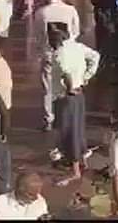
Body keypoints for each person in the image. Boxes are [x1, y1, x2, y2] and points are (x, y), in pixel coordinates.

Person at [44, 23, 100, 186]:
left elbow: (66, 73)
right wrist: (86, 77)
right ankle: (82, 161)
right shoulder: (78, 47)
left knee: (69, 132)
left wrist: (69, 87)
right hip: (79, 93)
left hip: (66, 97)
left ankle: (75, 171)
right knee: (78, 128)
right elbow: (95, 56)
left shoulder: (59, 54)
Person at [35, 0, 81, 131]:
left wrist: (42, 49)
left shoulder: (41, 12)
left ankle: (49, 118)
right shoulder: (70, 10)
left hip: (48, 53)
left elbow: (38, 34)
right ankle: (67, 116)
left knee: (48, 88)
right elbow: (76, 32)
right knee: (69, 84)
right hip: (66, 53)